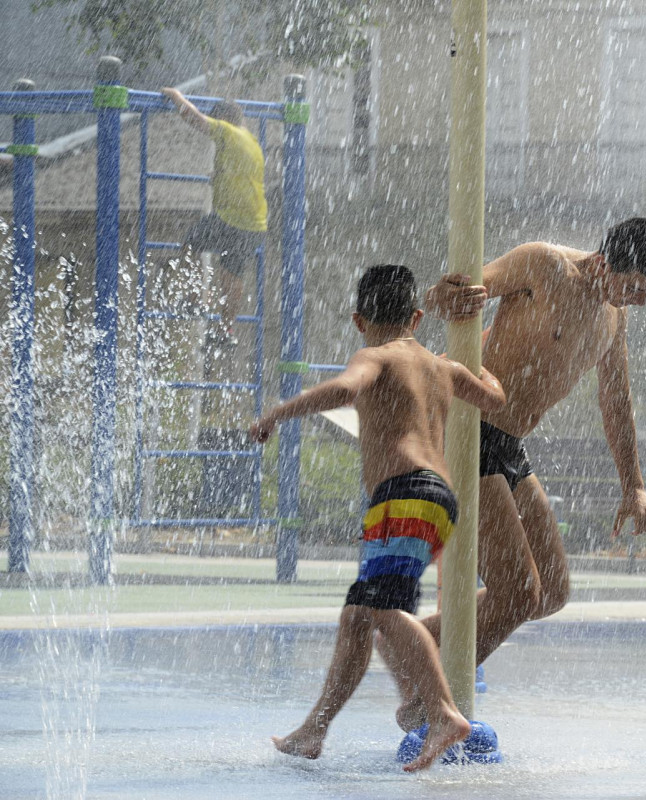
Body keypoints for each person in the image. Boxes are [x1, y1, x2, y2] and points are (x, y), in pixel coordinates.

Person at [382, 217, 646, 730]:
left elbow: (616, 399)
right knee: (518, 593)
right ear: (605, 262)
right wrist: (440, 297)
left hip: (507, 442)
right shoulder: (544, 264)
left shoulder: (612, 317)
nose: (639, 301)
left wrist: (634, 486)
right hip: (464, 424)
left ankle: (417, 638)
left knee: (553, 589)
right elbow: (466, 290)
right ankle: (430, 696)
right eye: (635, 288)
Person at [250, 264, 506, 770]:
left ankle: (443, 713)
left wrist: (280, 413)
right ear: (416, 315)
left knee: (386, 614)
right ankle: (313, 729)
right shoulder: (440, 366)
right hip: (436, 500)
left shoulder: (375, 356)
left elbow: (346, 390)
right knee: (358, 617)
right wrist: (475, 351)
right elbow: (495, 399)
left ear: (359, 320)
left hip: (402, 497)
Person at [161, 86, 267, 335]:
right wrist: (219, 176)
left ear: (223, 119)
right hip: (254, 223)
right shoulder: (251, 142)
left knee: (190, 243)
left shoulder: (227, 131)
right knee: (233, 271)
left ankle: (196, 296)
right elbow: (242, 175)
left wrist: (178, 98)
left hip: (231, 218)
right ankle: (225, 328)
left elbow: (194, 118)